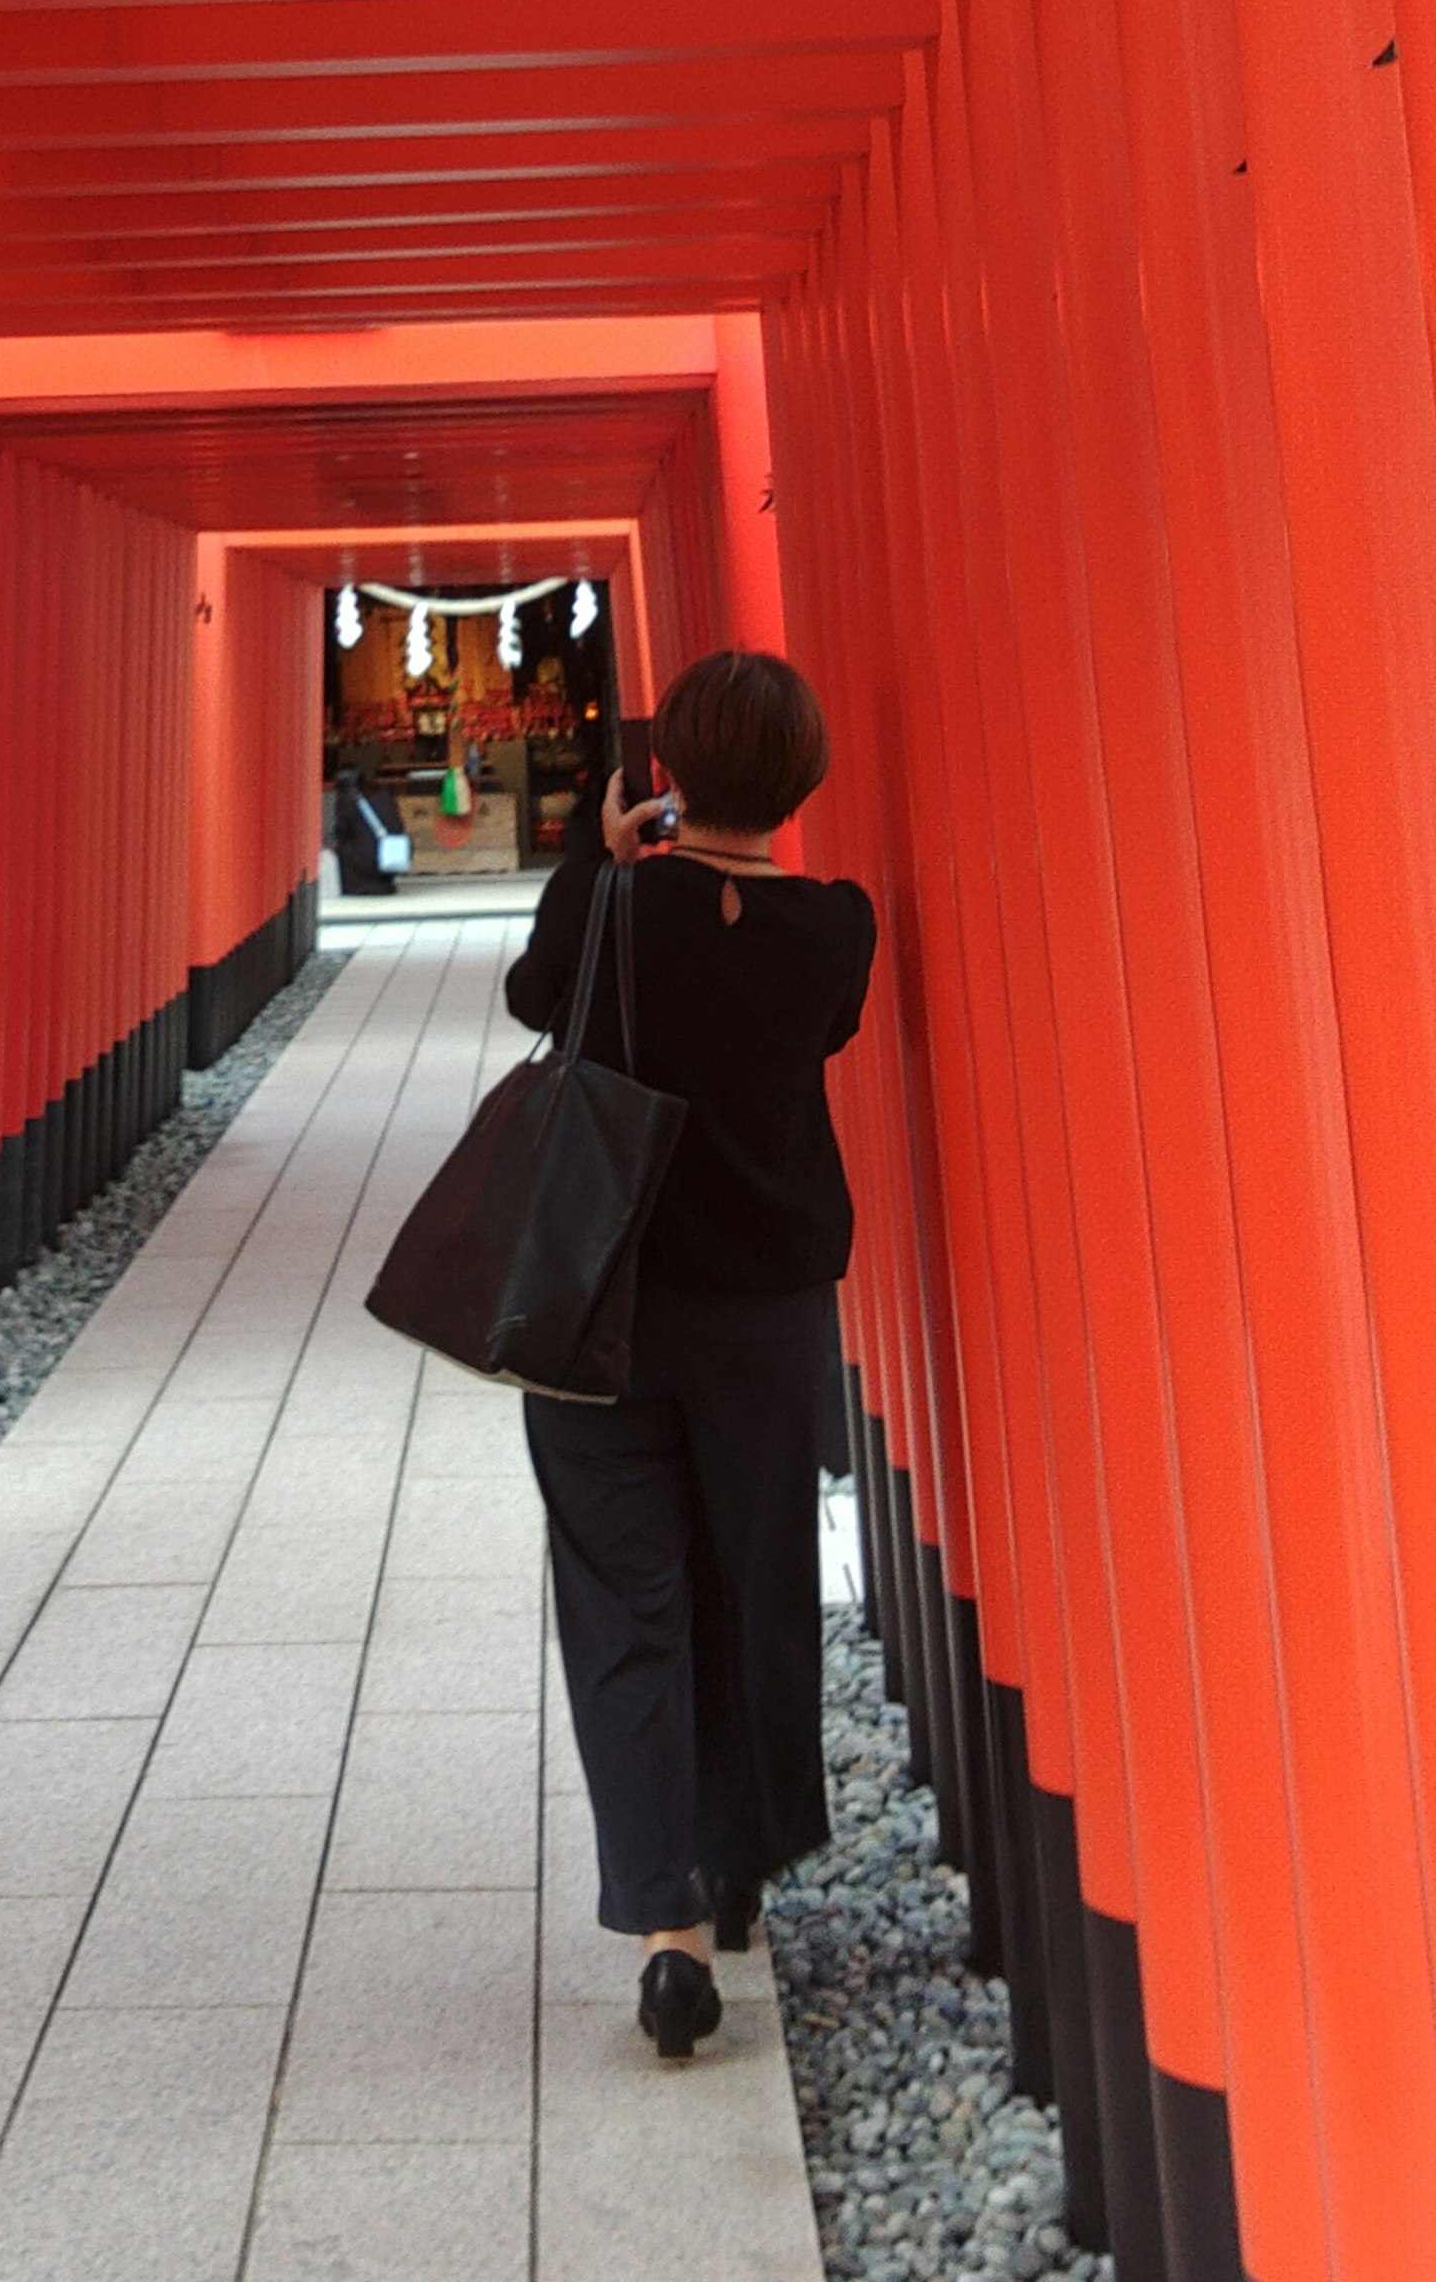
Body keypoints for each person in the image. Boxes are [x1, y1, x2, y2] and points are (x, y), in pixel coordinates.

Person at [504, 648, 874, 2063]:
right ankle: (743, 1869)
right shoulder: (835, 930)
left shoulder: (614, 909)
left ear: (667, 775)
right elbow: (817, 1025)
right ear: (798, 776)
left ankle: (661, 1924)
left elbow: (541, 1000)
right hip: (764, 1316)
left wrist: (597, 866)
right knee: (753, 1579)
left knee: (625, 1600)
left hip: (599, 1307)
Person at [328, 758, 402, 901]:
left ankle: (358, 885)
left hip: (365, 857)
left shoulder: (347, 798)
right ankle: (384, 883)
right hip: (392, 853)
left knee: (345, 846)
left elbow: (342, 830)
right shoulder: (383, 792)